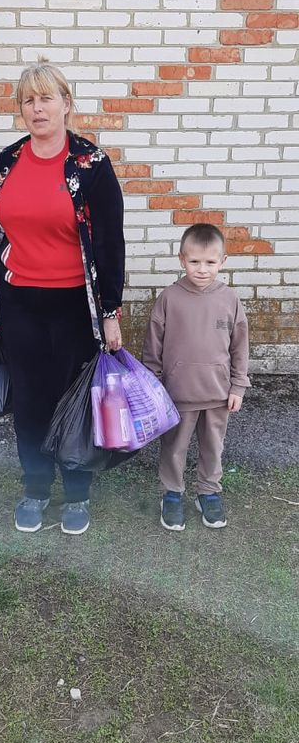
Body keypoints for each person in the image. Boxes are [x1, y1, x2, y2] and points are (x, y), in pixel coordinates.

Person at [0, 59, 125, 535]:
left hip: (74, 306)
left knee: (74, 400)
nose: (37, 108)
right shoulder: (7, 162)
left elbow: (110, 243)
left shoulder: (91, 164)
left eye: (46, 98)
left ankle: (77, 493)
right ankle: (36, 488)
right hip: (20, 301)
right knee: (30, 401)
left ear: (66, 104)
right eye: (28, 100)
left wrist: (110, 311)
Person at [142, 223, 250, 532]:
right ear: (182, 259)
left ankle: (209, 492)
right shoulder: (169, 298)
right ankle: (172, 494)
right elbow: (153, 347)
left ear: (223, 261)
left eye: (210, 262)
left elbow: (240, 347)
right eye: (194, 261)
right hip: (178, 395)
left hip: (218, 394)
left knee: (213, 447)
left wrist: (238, 386)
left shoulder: (229, 299)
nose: (202, 269)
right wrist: (154, 386)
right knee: (174, 447)